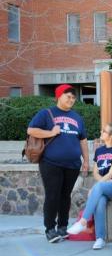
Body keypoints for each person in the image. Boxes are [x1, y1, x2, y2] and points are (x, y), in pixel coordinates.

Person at [27, 84, 89, 243]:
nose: (71, 99)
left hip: (73, 164)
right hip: (51, 163)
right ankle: (50, 229)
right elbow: (31, 130)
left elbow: (83, 140)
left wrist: (86, 161)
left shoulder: (77, 118)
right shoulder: (46, 113)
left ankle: (62, 227)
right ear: (59, 96)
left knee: (65, 196)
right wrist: (51, 132)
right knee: (53, 195)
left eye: (74, 97)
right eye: (68, 96)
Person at [67, 122, 112, 249]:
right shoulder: (99, 151)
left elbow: (111, 174)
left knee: (98, 188)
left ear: (111, 136)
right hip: (105, 185)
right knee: (99, 201)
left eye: (104, 131)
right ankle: (100, 238)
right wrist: (101, 184)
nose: (101, 132)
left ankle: (83, 221)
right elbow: (95, 172)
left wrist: (97, 186)